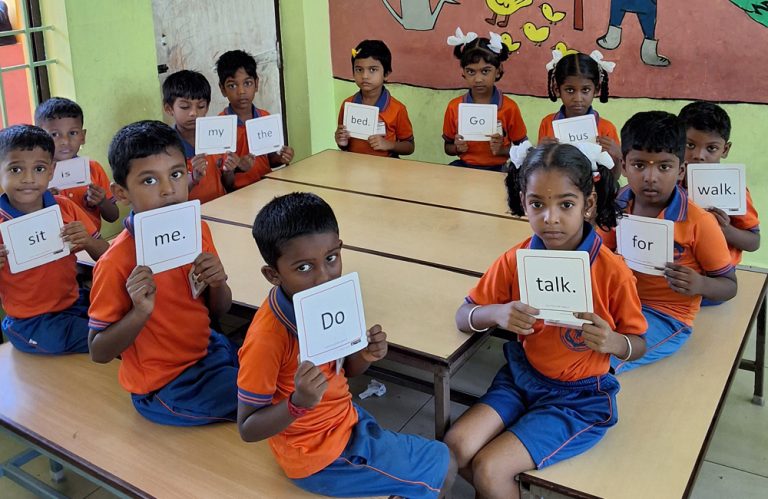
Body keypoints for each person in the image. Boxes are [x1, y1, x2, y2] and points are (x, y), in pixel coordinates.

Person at [444, 142, 647, 499]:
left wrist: (614, 342)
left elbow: (638, 344)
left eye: (565, 204)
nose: (550, 218)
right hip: (521, 378)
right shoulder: (516, 259)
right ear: (524, 203)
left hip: (580, 399)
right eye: (538, 204)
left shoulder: (613, 272)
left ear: (588, 204)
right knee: (454, 449)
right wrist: (497, 313)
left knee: (490, 469)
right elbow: (465, 314)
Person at [237, 192, 456, 498]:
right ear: (273, 274)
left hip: (343, 420)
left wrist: (365, 355)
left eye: (331, 259)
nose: (324, 277)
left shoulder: (332, 300)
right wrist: (298, 402)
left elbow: (347, 370)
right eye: (304, 268)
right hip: (320, 456)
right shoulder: (267, 338)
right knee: (445, 463)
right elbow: (248, 427)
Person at [88, 121, 238, 426]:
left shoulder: (197, 230)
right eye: (149, 180)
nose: (168, 189)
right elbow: (99, 351)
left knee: (278, 371)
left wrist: (218, 282)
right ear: (121, 193)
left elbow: (217, 310)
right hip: (167, 385)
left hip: (207, 351)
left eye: (176, 174)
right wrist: (140, 312)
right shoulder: (115, 261)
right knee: (268, 400)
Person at [599, 111, 737, 373]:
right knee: (562, 344)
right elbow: (598, 251)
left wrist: (701, 284)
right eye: (639, 165)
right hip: (616, 302)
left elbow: (729, 285)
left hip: (665, 315)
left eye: (664, 167)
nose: (651, 177)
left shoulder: (699, 221)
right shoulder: (618, 203)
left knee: (601, 361)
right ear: (624, 166)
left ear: (680, 170)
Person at [0, 125, 107, 353]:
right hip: (32, 322)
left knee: (124, 318)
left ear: (51, 171)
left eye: (39, 169)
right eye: (16, 169)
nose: (28, 179)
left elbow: (107, 255)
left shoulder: (64, 207)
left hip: (74, 302)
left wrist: (88, 241)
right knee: (105, 339)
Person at [678, 101, 760, 268]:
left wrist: (724, 229)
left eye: (711, 148)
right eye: (689, 145)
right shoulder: (669, 182)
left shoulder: (732, 188)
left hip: (719, 275)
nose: (699, 155)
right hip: (681, 272)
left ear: (725, 150)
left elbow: (753, 242)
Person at [443, 29, 527, 171]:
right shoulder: (454, 107)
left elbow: (524, 149)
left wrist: (501, 150)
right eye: (471, 71)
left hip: (499, 168)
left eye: (485, 71)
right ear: (463, 72)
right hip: (465, 167)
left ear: (498, 71)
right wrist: (457, 148)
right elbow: (447, 147)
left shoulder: (509, 107)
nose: (478, 79)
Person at [35, 97, 120, 230]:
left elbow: (113, 216)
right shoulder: (36, 175)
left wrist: (102, 201)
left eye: (73, 133)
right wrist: (42, 201)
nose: (65, 141)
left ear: (83, 136)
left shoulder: (93, 169)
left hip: (92, 241)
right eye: (54, 134)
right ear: (40, 137)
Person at [215, 49, 293, 189]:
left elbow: (270, 161)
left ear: (256, 84)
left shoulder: (265, 118)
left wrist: (282, 157)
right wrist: (237, 168)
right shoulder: (220, 126)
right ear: (222, 89)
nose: (241, 91)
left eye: (247, 83)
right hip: (238, 193)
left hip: (267, 186)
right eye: (232, 85)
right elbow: (223, 181)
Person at [539, 51, 622, 176]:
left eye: (585, 90)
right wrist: (539, 152)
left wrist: (617, 155)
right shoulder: (547, 123)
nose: (578, 98)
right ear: (557, 90)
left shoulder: (606, 129)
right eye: (570, 90)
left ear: (596, 90)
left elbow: (614, 178)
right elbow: (541, 171)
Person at [162, 69, 237, 203]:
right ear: (169, 109)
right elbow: (168, 197)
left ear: (207, 107)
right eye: (185, 107)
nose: (193, 113)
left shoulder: (215, 138)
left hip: (221, 208)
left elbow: (228, 184)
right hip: (189, 213)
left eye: (201, 106)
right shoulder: (166, 148)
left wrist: (229, 171)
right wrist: (193, 178)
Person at [334, 39, 415, 157]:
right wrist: (341, 141)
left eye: (372, 70)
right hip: (353, 163)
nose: (365, 76)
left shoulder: (398, 109)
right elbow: (344, 145)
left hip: (386, 165)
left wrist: (389, 145)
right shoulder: (348, 105)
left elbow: (410, 146)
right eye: (359, 70)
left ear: (386, 74)